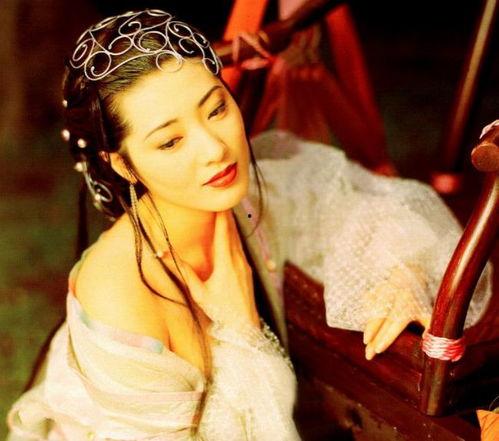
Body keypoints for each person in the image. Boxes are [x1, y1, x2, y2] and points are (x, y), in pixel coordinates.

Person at [6, 8, 493, 441]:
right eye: (170, 142)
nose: (214, 149)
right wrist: (241, 330)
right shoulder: (120, 293)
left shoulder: (254, 195)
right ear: (124, 165)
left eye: (216, 109)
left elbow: (373, 209)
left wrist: (404, 275)